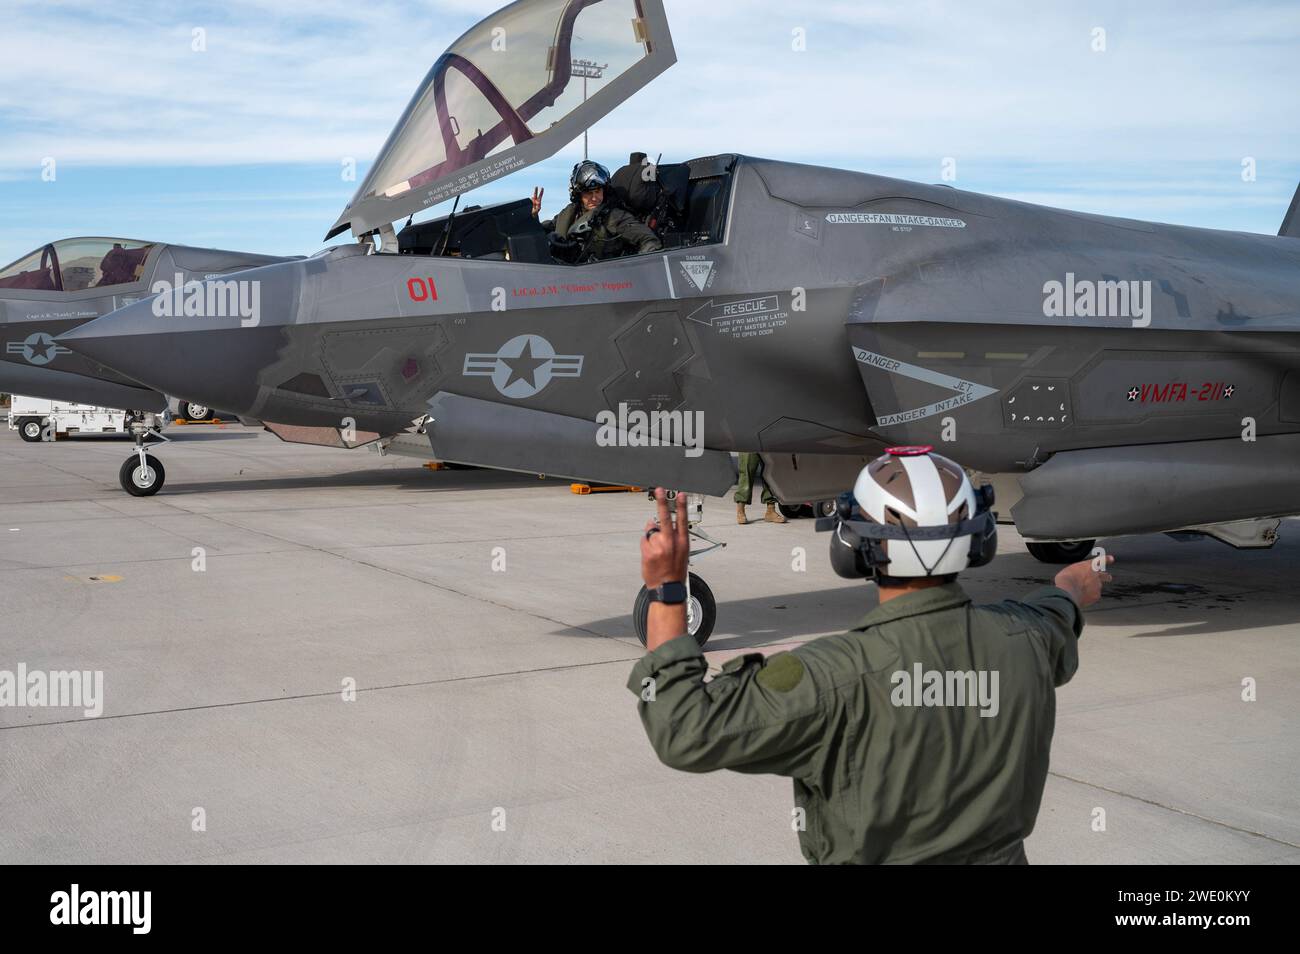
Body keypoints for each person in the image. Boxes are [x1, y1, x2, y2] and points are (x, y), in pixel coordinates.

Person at [628, 447, 1114, 864]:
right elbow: (1059, 611)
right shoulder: (1027, 640)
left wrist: (669, 590)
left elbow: (683, 731)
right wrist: (1073, 583)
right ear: (979, 540)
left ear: (854, 548)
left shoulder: (829, 676)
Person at [530, 160, 662, 263]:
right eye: (588, 193)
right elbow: (540, 233)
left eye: (598, 191)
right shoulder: (569, 213)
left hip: (605, 285)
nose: (594, 198)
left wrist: (632, 273)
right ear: (579, 195)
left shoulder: (614, 216)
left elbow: (649, 241)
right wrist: (533, 215)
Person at [734, 452, 785, 525]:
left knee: (770, 471)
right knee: (747, 470)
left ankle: (770, 511)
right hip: (749, 441)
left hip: (767, 441)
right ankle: (740, 511)